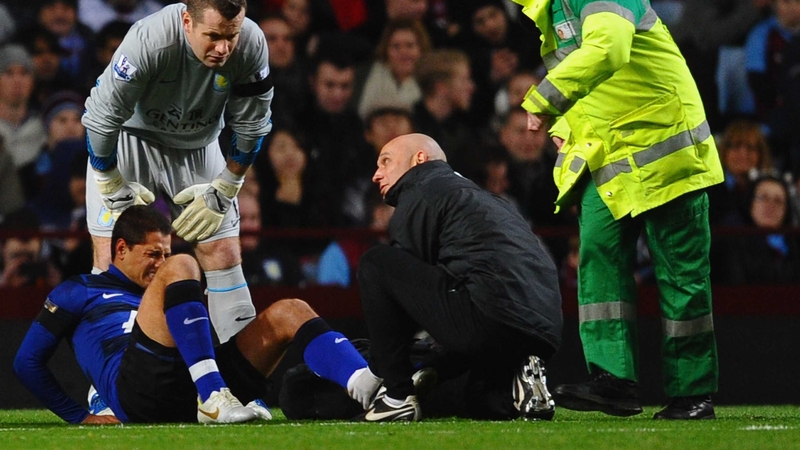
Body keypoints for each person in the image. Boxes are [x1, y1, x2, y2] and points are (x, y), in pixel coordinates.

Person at [516, 0, 723, 420]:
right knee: (598, 258)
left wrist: (544, 98)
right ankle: (613, 382)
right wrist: (564, 124)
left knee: (682, 275)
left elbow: (609, 49)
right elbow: (596, 87)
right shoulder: (551, 12)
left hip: (668, 151)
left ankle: (692, 393)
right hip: (611, 159)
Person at [13, 205, 381, 424]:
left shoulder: (170, 289)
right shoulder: (79, 290)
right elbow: (27, 362)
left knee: (290, 310)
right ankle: (214, 396)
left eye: (164, 253)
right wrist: (78, 416)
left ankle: (374, 391)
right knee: (185, 263)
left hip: (188, 382)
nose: (160, 263)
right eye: (152, 254)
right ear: (121, 249)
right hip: (139, 390)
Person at [81, 0, 274, 343]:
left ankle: (241, 374)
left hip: (199, 143)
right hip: (130, 138)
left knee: (224, 253)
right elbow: (101, 116)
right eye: (213, 36)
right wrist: (108, 180)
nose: (223, 48)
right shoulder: (149, 40)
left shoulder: (252, 43)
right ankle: (110, 373)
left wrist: (228, 186)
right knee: (115, 258)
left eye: (231, 36)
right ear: (187, 21)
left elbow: (253, 123)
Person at [357, 133, 563, 422]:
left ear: (419, 159)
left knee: (376, 263)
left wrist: (378, 368)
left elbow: (404, 299)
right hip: (545, 331)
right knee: (481, 400)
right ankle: (521, 375)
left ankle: (397, 398)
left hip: (489, 315)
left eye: (386, 161)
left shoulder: (423, 190)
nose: (377, 174)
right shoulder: (490, 201)